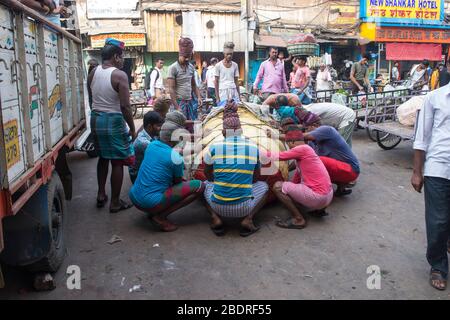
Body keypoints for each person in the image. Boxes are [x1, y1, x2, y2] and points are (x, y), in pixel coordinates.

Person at [129, 111, 205, 232]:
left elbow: (169, 155)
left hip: (134, 197)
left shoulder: (151, 145)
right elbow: (177, 183)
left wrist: (196, 148)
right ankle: (160, 216)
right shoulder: (175, 158)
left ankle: (155, 210)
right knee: (199, 186)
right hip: (150, 202)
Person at [203, 102, 269, 237]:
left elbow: (207, 174)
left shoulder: (214, 147)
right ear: (241, 130)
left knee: (202, 185)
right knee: (265, 187)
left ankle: (215, 218)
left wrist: (220, 178)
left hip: (218, 206)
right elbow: (255, 179)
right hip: (243, 207)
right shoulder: (253, 148)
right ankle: (248, 219)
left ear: (222, 131)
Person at [88, 38, 136, 213]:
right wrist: (131, 127)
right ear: (116, 57)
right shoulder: (119, 75)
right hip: (113, 119)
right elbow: (125, 106)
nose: (123, 60)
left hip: (96, 118)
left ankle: (101, 194)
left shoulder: (92, 72)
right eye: (122, 57)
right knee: (117, 161)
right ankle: (115, 202)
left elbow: (91, 97)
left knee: (102, 157)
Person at [411, 83, 450, 291]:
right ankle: (438, 265)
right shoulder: (435, 97)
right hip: (438, 167)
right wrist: (417, 171)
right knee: (438, 220)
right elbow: (422, 136)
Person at [266, 128, 333, 229]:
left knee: (277, 187)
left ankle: (298, 219)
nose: (289, 147)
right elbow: (297, 175)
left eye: (288, 145)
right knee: (289, 187)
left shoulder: (302, 149)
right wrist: (289, 191)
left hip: (318, 197)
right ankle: (320, 210)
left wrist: (257, 152)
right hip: (328, 196)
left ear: (292, 142)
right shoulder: (308, 151)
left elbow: (279, 156)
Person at [304, 124, 360, 197]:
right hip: (343, 170)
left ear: (313, 126)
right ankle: (340, 189)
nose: (306, 131)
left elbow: (302, 137)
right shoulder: (312, 143)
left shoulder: (327, 130)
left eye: (307, 128)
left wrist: (286, 136)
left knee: (317, 161)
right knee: (312, 161)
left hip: (351, 170)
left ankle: (323, 194)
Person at [167, 37, 202, 122]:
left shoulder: (191, 67)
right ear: (180, 54)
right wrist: (177, 107)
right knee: (180, 127)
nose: (187, 59)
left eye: (188, 57)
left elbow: (193, 85)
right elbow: (171, 89)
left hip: (190, 102)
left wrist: (199, 97)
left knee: (191, 125)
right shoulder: (173, 68)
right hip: (179, 102)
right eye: (185, 56)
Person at [128, 111, 163, 184]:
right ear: (149, 126)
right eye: (158, 126)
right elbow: (161, 158)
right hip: (138, 177)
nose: (160, 128)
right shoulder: (143, 143)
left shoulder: (150, 134)